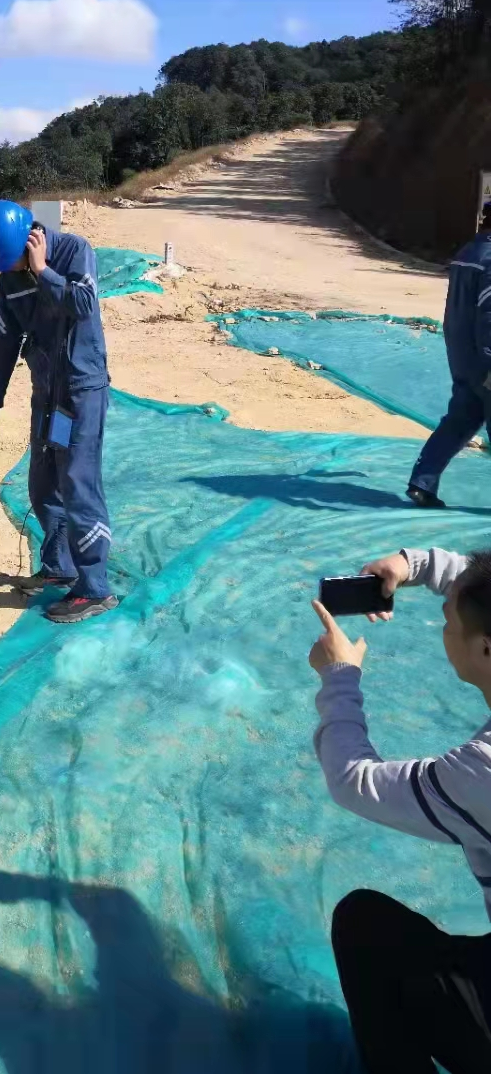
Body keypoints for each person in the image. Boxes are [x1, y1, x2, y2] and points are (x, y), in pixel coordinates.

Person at [310, 542, 491, 1073]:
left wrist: (339, 677)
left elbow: (353, 780)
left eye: (447, 620)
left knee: (365, 927)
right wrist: (415, 566)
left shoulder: (480, 773)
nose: (443, 626)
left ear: (485, 650)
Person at [0, 201, 116, 625]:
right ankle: (60, 566)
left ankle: (94, 588)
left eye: (15, 259)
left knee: (78, 484)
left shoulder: (74, 251)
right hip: (47, 394)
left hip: (80, 391)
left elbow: (84, 305)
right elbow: (4, 343)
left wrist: (43, 271)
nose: (10, 269)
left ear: (30, 241)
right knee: (44, 482)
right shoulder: (9, 280)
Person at [407, 203, 491, 509]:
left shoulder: (469, 253)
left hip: (463, 355)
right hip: (486, 359)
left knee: (460, 419)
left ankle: (422, 483)